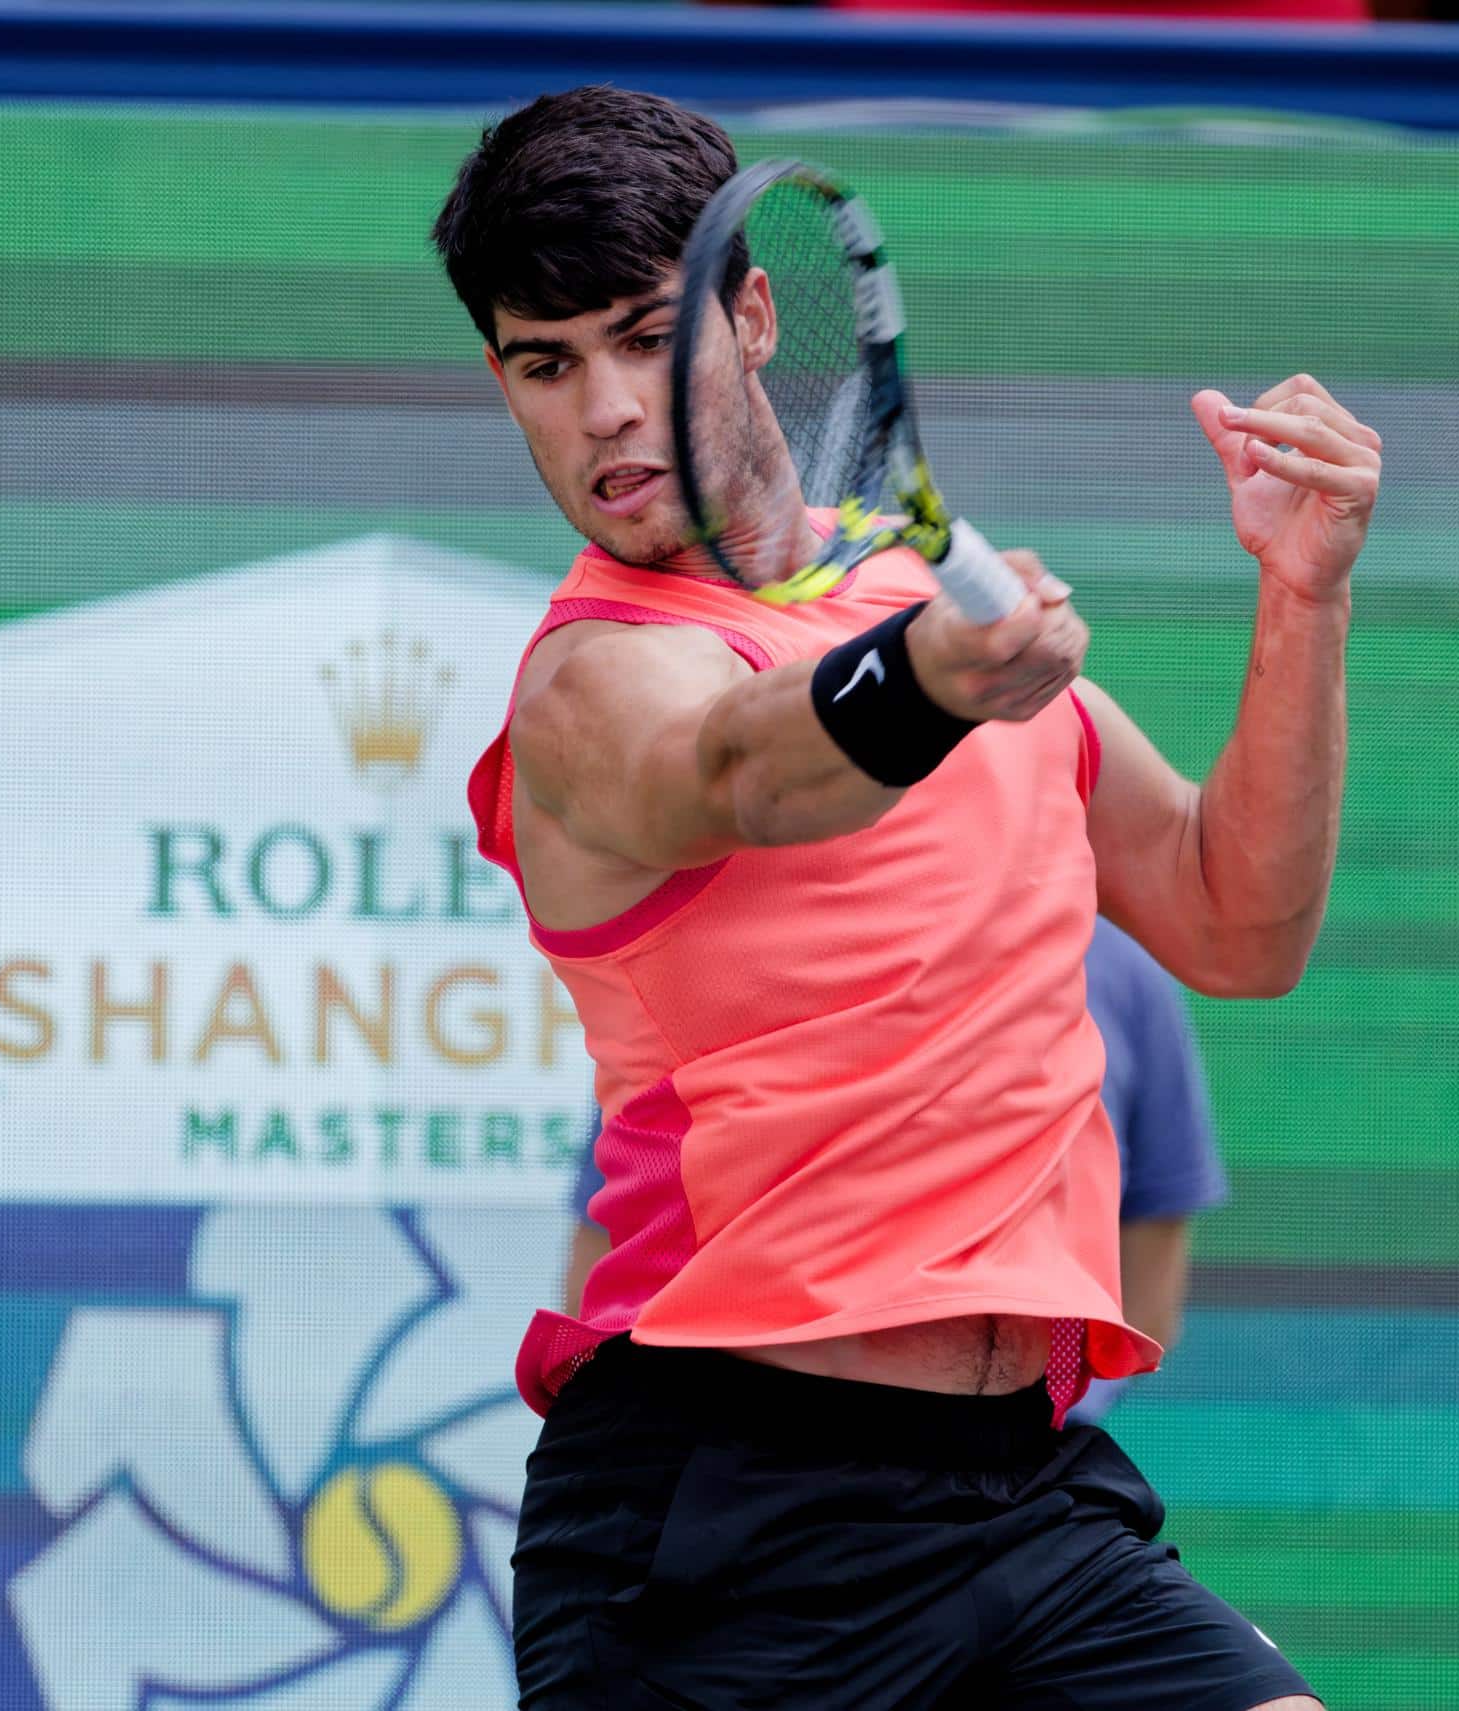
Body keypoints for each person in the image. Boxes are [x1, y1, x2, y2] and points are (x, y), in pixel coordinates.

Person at [435, 85, 1377, 1711]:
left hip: (1026, 1494)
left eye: (639, 339)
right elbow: (744, 770)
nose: (601, 409)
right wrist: (931, 679)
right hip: (726, 1508)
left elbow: (1239, 920)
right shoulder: (592, 685)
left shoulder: (907, 584)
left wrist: (1304, 597)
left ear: (753, 315)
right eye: (543, 362)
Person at [563, 914, 1231, 1429]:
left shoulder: (1117, 965)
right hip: (745, 1471)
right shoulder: (728, 948)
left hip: (1027, 1477)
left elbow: (1147, 1297)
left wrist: (1038, 1404)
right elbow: (607, 1276)